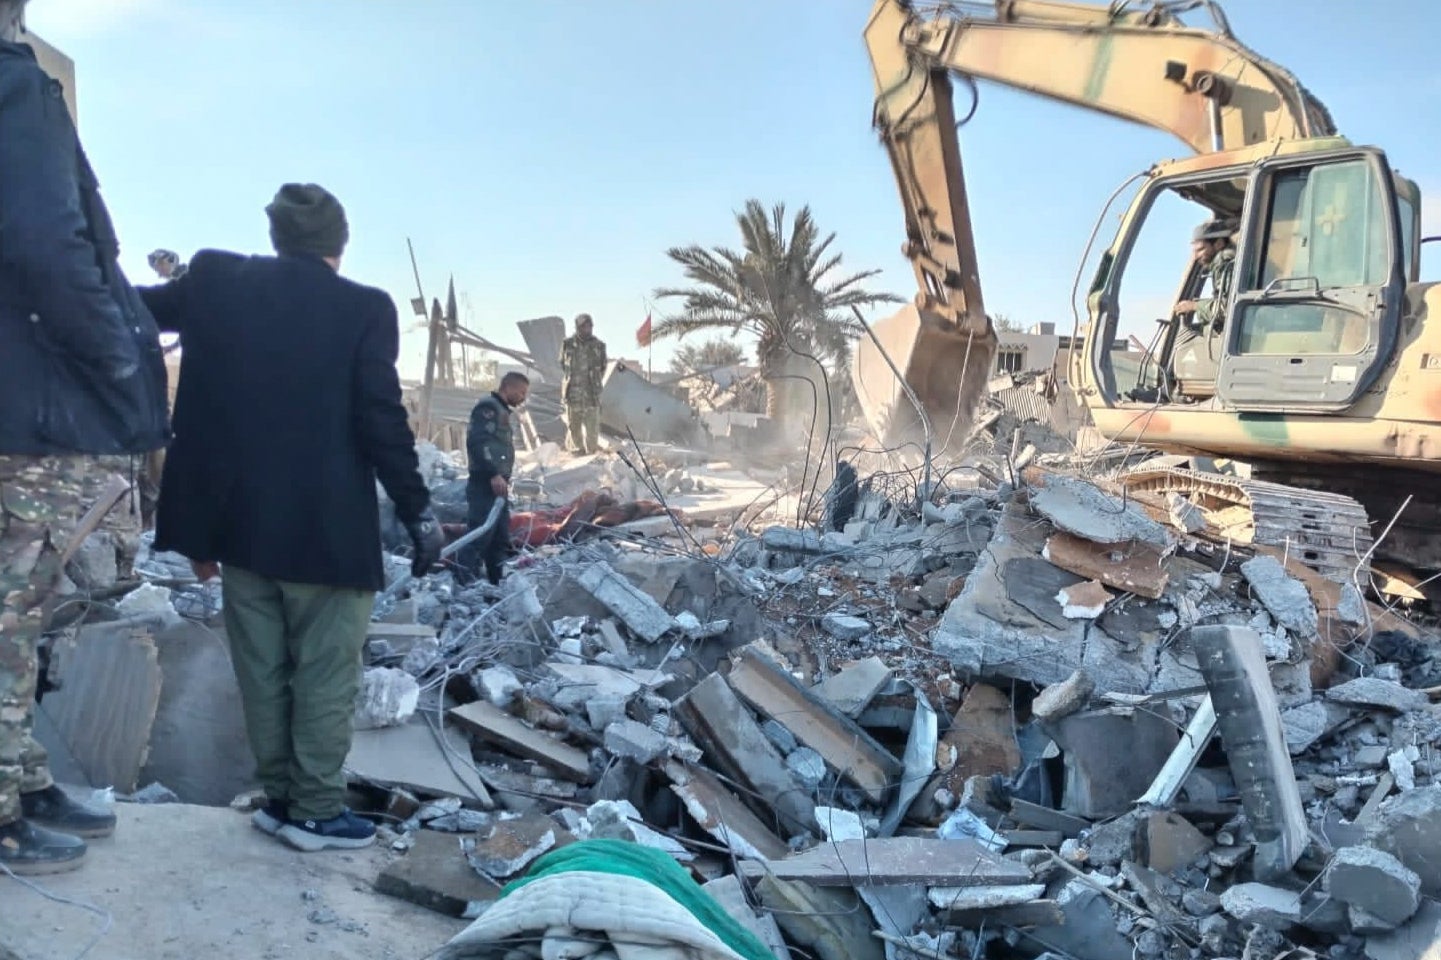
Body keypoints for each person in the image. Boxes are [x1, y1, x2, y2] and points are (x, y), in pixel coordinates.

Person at [138, 183, 444, 853]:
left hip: (238, 531)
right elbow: (381, 419)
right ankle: (312, 810)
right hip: (328, 536)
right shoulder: (363, 308)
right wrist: (419, 512)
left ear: (277, 236)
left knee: (263, 670)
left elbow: (129, 311)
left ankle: (280, 798)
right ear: (339, 243)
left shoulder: (217, 281)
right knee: (324, 676)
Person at [0, 0, 170, 875]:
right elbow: (47, 241)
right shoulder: (14, 85)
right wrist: (115, 361)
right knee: (12, 611)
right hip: (31, 414)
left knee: (22, 613)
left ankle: (20, 779)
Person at [460, 372, 529, 586]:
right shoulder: (488, 408)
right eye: (521, 392)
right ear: (507, 387)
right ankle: (464, 582)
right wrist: (493, 473)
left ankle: (496, 583)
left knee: (499, 538)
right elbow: (477, 442)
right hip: (485, 483)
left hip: (499, 485)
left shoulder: (501, 411)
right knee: (479, 535)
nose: (523, 397)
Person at [559, 313, 607, 455]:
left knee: (592, 427)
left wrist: (594, 381)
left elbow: (603, 367)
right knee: (574, 426)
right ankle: (577, 452)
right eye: (583, 326)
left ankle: (591, 453)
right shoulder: (567, 344)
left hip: (592, 394)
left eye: (589, 326)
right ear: (577, 327)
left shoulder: (599, 346)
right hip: (573, 393)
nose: (587, 329)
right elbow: (562, 364)